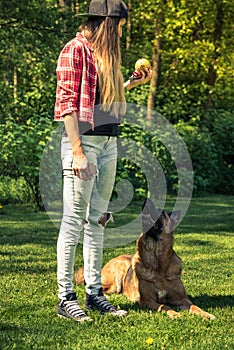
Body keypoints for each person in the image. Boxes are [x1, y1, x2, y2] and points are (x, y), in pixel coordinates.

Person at [54, 0, 152, 322]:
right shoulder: (75, 50)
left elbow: (101, 100)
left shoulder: (103, 57)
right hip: (84, 144)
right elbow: (67, 104)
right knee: (72, 222)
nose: (122, 34)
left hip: (109, 142)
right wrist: (78, 152)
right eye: (120, 27)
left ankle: (94, 292)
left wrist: (129, 85)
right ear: (109, 23)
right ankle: (65, 297)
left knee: (97, 220)